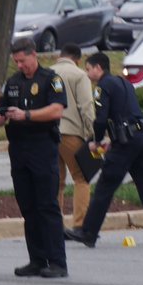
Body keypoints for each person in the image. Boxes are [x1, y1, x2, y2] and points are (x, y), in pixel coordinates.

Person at [68, 52, 143, 249]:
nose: (87, 74)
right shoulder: (125, 84)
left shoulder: (103, 86)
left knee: (104, 187)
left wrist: (97, 141)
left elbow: (100, 118)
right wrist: (112, 139)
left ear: (99, 68)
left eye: (89, 69)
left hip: (126, 144)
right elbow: (127, 115)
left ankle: (88, 233)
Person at [0, 37, 69, 278]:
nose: (19, 66)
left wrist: (26, 115)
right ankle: (37, 259)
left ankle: (57, 262)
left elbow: (57, 109)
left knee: (47, 205)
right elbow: (2, 109)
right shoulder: (13, 83)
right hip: (19, 150)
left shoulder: (51, 80)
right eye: (16, 61)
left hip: (42, 148)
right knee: (28, 207)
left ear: (33, 55)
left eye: (22, 61)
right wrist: (0, 118)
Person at [51, 43, 96, 238]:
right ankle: (80, 225)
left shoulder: (47, 73)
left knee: (57, 181)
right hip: (71, 133)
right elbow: (86, 107)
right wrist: (92, 134)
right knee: (81, 178)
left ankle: (55, 225)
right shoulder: (79, 75)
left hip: (50, 132)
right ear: (77, 59)